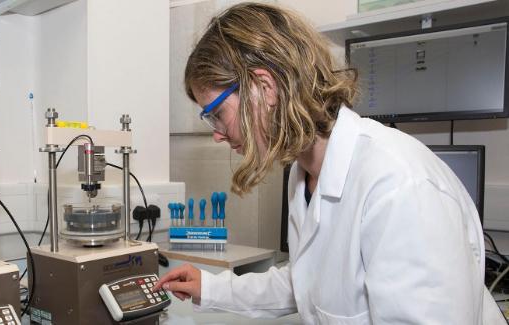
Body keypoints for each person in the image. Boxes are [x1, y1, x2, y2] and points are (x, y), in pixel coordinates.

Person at [153, 3, 506, 324]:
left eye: (217, 115)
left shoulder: (399, 186)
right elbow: (306, 282)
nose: (217, 133)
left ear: (265, 87)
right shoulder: (302, 174)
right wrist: (212, 289)